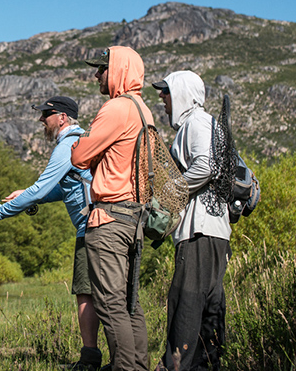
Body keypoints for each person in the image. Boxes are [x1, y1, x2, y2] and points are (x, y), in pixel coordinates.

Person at [0, 95, 102, 371]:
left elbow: (43, 186)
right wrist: (28, 197)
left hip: (91, 228)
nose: (41, 120)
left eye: (46, 114)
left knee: (86, 294)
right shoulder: (78, 141)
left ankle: (90, 360)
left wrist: (0, 212)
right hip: (97, 225)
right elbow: (64, 188)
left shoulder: (68, 144)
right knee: (100, 294)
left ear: (62, 118)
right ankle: (107, 360)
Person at [71, 46, 151, 371]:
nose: (96, 75)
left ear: (117, 70)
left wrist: (84, 147)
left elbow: (78, 157)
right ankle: (139, 366)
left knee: (110, 303)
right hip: (134, 218)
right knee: (130, 302)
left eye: (102, 69)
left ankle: (126, 368)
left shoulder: (116, 108)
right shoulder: (144, 109)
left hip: (108, 219)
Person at [152, 71, 232, 371]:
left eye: (167, 91)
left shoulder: (196, 122)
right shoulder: (206, 123)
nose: (162, 97)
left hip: (199, 231)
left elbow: (206, 165)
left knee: (186, 303)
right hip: (214, 231)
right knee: (209, 306)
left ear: (183, 93)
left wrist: (173, 189)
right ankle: (205, 364)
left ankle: (175, 366)